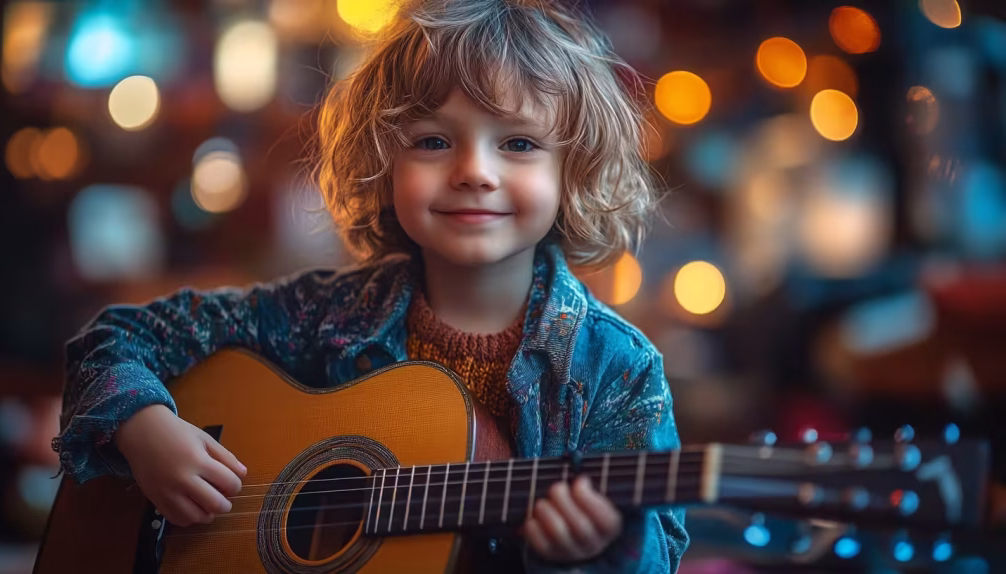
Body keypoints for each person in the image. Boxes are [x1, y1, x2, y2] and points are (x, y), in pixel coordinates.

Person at [52, 0, 689, 571]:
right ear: (385, 164)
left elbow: (657, 550)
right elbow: (115, 337)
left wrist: (596, 552)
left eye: (519, 142)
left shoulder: (618, 369)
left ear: (572, 171)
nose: (474, 172)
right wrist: (143, 425)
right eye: (434, 141)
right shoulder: (322, 314)